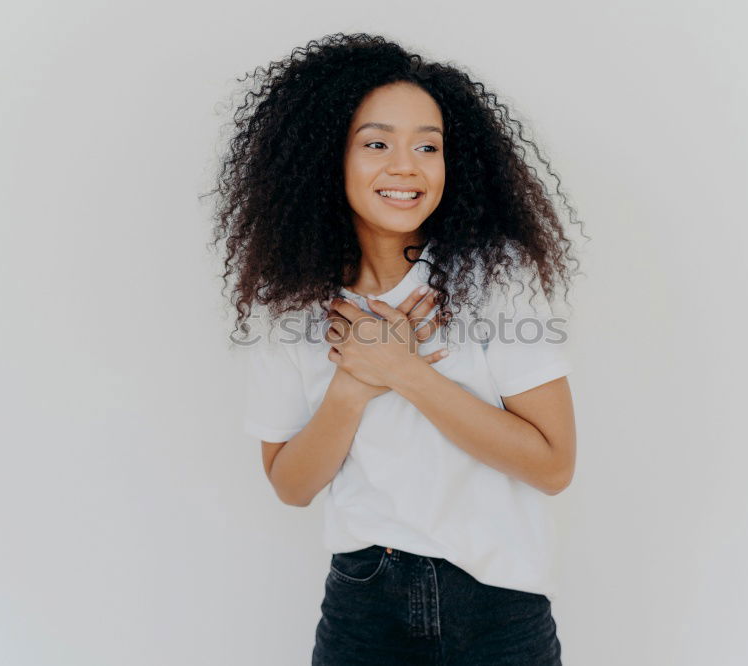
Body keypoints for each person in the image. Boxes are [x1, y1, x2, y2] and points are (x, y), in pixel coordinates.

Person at [206, 32, 586, 666]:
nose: (406, 166)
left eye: (428, 147)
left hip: (496, 604)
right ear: (329, 158)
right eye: (376, 143)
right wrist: (352, 388)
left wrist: (403, 371)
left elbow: (552, 466)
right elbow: (291, 485)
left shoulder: (495, 280)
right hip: (363, 603)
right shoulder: (292, 305)